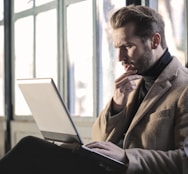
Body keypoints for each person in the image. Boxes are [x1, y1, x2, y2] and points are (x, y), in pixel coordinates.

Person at [0, 5, 188, 174]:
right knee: (32, 150)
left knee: (31, 150)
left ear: (155, 41)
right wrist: (116, 105)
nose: (120, 57)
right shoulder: (133, 81)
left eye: (128, 46)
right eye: (117, 48)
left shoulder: (183, 87)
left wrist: (126, 157)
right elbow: (99, 138)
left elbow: (184, 160)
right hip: (101, 167)